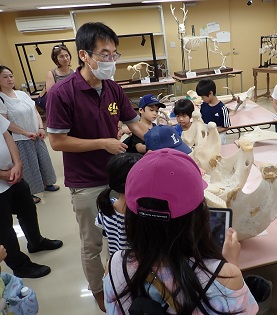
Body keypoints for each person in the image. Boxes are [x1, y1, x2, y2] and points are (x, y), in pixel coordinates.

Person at [46, 22, 147, 311]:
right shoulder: (62, 93)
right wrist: (103, 143)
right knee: (92, 243)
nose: (111, 61)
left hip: (119, 178)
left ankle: (129, 280)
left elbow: (135, 123)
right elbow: (58, 142)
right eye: (104, 54)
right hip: (86, 181)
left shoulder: (113, 89)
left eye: (114, 54)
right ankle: (98, 291)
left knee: (125, 234)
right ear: (84, 55)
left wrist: (165, 143)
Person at [104, 148, 258, 314]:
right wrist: (231, 264)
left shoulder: (114, 267)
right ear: (198, 216)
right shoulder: (224, 277)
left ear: (131, 216)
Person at [0, 114, 62, 279]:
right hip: (3, 179)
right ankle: (20, 266)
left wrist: (18, 163)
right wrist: (4, 174)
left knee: (27, 209)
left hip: (14, 176)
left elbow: (6, 135)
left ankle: (36, 241)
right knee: (4, 229)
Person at [0, 65, 59, 204]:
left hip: (36, 134)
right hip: (20, 138)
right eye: (5, 77)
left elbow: (35, 111)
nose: (9, 79)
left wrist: (40, 128)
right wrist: (26, 132)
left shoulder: (22, 93)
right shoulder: (1, 99)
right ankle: (30, 192)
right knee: (28, 165)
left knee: (43, 159)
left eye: (11, 76)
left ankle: (48, 183)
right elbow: (6, 123)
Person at [96, 153, 142, 256]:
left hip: (117, 264)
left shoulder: (106, 207)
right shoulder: (142, 215)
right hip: (137, 266)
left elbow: (106, 235)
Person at [196, 79, 231, 144]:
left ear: (210, 93)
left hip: (218, 138)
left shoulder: (222, 109)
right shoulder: (203, 106)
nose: (202, 99)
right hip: (206, 137)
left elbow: (226, 127)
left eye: (203, 97)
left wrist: (212, 131)